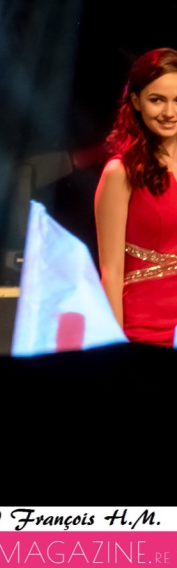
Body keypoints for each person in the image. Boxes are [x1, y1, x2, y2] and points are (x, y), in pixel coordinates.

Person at [94, 47, 177, 347]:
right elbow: (111, 272)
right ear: (136, 101)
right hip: (144, 335)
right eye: (157, 100)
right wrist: (116, 350)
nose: (169, 112)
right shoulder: (120, 173)